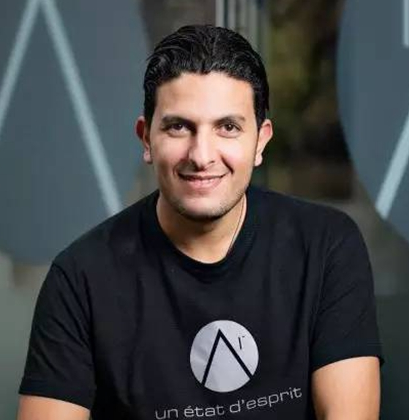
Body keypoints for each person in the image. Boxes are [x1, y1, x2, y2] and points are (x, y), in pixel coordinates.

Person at [17, 24, 383, 420]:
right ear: (146, 138)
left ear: (260, 140)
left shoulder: (325, 246)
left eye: (228, 127)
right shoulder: (80, 278)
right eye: (179, 126)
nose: (202, 155)